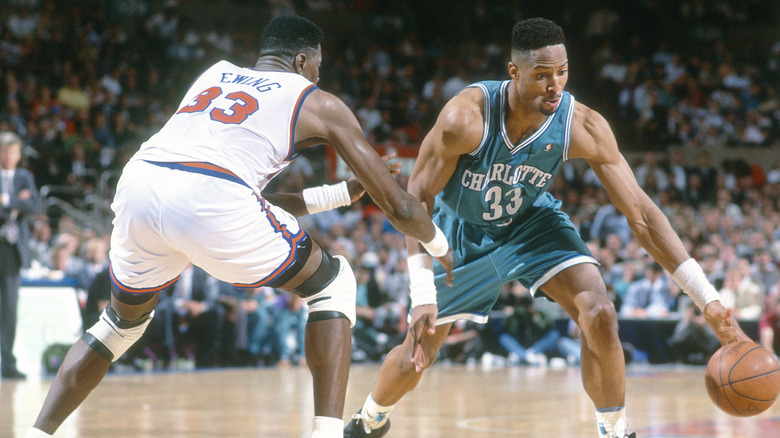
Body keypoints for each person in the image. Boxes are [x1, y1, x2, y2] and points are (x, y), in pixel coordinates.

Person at [24, 14, 452, 438]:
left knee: (118, 324)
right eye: (318, 67)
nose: (318, 76)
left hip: (142, 180)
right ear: (303, 61)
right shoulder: (316, 100)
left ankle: (37, 433)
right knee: (333, 284)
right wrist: (439, 244)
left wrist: (341, 193)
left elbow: (234, 194)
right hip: (211, 198)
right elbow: (399, 207)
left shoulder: (215, 74)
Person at [344, 18, 747, 438]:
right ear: (514, 72)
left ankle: (614, 429)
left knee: (600, 312)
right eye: (541, 75)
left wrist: (707, 299)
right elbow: (416, 200)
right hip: (458, 233)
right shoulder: (464, 120)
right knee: (416, 354)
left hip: (532, 223)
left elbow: (642, 214)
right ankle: (370, 418)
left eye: (562, 72)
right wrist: (422, 292)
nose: (555, 85)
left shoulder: (582, 124)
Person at [0, 131, 40, 379]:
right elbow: (20, 207)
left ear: (18, 155)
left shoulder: (25, 177)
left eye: (12, 151)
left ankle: (8, 363)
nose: (8, 156)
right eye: (4, 151)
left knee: (10, 310)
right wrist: (16, 204)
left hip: (13, 253)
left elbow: (35, 205)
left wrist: (5, 199)